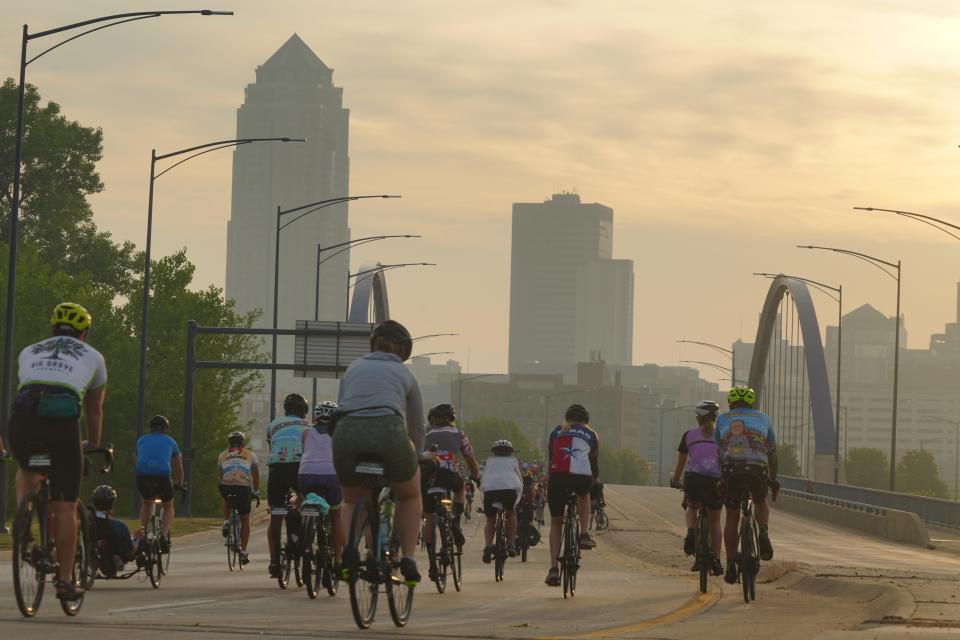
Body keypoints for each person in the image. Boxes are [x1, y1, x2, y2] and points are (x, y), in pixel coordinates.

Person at [9, 302, 106, 601]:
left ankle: (24, 520)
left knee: (27, 468)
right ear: (84, 332)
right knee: (65, 507)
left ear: (53, 328)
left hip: (22, 424)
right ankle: (64, 581)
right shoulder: (94, 357)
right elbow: (94, 409)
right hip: (61, 428)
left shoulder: (29, 350)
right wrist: (92, 443)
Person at [332, 319, 425, 586]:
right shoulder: (405, 374)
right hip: (388, 431)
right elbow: (417, 425)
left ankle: (350, 549)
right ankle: (408, 558)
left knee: (351, 499)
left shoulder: (353, 367)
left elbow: (342, 406)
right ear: (403, 351)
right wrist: (415, 456)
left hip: (347, 433)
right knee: (409, 494)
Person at [716, 385, 780, 585]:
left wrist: (720, 478)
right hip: (757, 469)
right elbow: (772, 451)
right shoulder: (763, 418)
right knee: (760, 501)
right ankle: (763, 531)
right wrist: (773, 477)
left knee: (732, 515)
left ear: (731, 403)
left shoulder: (723, 419)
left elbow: (718, 450)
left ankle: (731, 565)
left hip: (731, 471)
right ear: (752, 403)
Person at [544, 403, 599, 587]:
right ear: (585, 421)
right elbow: (594, 464)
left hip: (557, 478)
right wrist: (593, 482)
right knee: (584, 495)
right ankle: (583, 533)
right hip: (580, 477)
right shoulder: (591, 434)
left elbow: (552, 455)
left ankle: (553, 569)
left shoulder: (556, 432)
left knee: (556, 522)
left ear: (567, 419)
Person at [670, 400, 724, 576]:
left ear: (699, 418)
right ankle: (716, 560)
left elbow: (682, 462)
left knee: (692, 506)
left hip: (693, 478)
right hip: (715, 481)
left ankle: (691, 531)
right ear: (715, 417)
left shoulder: (689, 435)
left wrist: (675, 479)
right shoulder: (723, 436)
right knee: (715, 520)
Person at [420, 404, 480, 556]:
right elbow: (470, 458)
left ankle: (432, 561)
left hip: (427, 477)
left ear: (432, 419)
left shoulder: (424, 433)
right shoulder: (459, 433)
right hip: (449, 474)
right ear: (451, 418)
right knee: (459, 490)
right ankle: (456, 519)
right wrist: (476, 475)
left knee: (429, 516)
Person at [265, 393, 310, 578]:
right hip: (299, 467)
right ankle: (299, 527)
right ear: (303, 412)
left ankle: (274, 561)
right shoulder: (308, 427)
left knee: (276, 513)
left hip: (277, 468)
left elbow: (271, 446)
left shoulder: (273, 424)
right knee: (305, 499)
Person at [299, 400, 344, 570]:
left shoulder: (306, 432)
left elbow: (305, 452)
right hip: (331, 475)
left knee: (307, 503)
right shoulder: (340, 433)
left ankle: (306, 536)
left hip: (306, 474)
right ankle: (338, 560)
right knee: (336, 515)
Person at [135, 414, 184, 550]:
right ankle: (163, 534)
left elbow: (137, 459)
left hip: (143, 476)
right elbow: (178, 467)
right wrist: (179, 483)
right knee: (168, 505)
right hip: (162, 477)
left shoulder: (141, 440)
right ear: (165, 429)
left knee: (146, 502)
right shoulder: (171, 442)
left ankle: (144, 534)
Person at [218, 431, 260, 565]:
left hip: (226, 486)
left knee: (226, 494)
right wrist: (256, 491)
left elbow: (221, 474)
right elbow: (256, 474)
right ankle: (242, 551)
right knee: (245, 520)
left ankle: (225, 521)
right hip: (243, 488)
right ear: (243, 443)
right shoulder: (250, 455)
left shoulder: (222, 455)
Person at [480, 439, 523, 562]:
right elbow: (519, 480)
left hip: (490, 492)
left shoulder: (489, 461)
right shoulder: (513, 461)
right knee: (510, 514)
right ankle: (511, 544)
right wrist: (519, 496)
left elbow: (483, 480)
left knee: (490, 521)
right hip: (509, 491)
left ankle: (488, 547)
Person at [90, 485, 143, 575]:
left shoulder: (88, 523)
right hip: (118, 551)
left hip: (93, 550)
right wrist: (137, 538)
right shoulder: (120, 526)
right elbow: (130, 553)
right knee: (138, 536)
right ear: (112, 503)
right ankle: (118, 559)